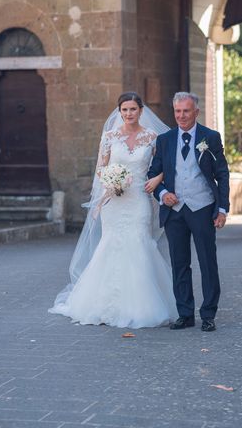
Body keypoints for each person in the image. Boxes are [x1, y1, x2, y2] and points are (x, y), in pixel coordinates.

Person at [49, 92, 177, 328]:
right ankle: (106, 304)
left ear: (141, 111)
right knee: (112, 245)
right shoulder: (109, 137)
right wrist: (111, 181)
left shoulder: (152, 137)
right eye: (124, 110)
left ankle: (140, 305)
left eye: (133, 109)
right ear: (119, 112)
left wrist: (157, 179)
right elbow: (101, 168)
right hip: (114, 200)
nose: (128, 114)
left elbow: (165, 166)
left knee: (138, 243)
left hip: (139, 198)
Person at [148, 92, 230, 332]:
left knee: (207, 261)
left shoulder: (210, 138)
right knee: (179, 262)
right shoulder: (165, 140)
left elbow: (222, 174)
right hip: (174, 210)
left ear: (196, 111)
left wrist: (222, 208)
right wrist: (163, 194)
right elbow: (154, 174)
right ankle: (185, 313)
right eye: (177, 112)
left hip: (202, 207)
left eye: (186, 111)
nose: (181, 116)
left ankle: (208, 314)